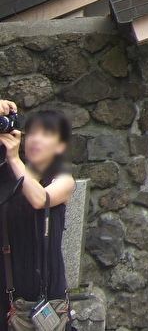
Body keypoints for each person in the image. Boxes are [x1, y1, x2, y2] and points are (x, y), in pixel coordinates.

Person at [0, 104, 75, 329]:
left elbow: (40, 200)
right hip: (7, 282)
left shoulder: (63, 179)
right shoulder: (5, 175)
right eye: (32, 133)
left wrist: (15, 160)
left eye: (46, 134)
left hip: (45, 287)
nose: (35, 140)